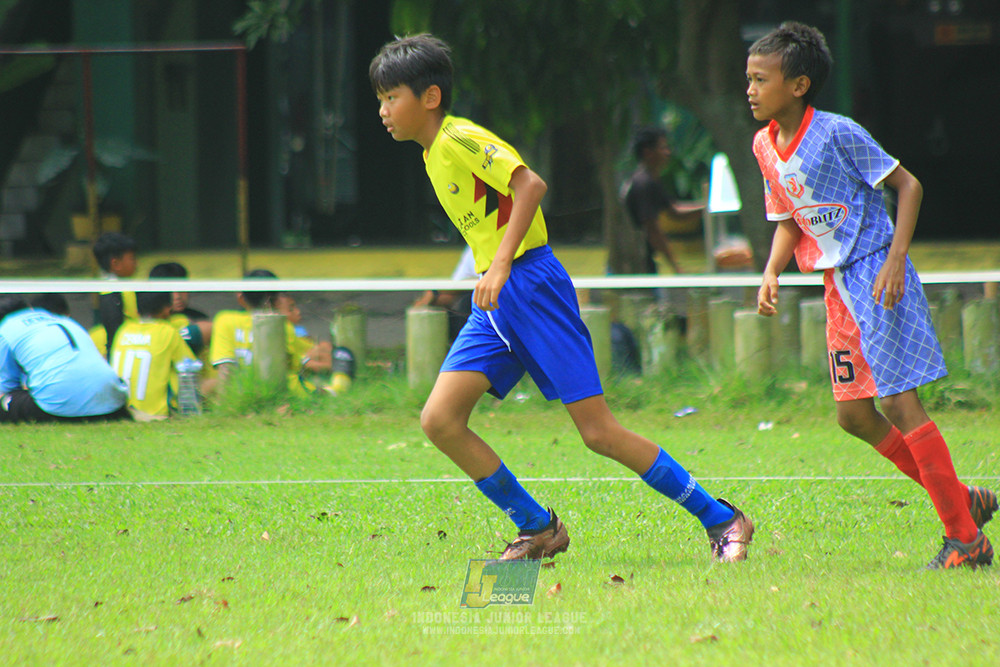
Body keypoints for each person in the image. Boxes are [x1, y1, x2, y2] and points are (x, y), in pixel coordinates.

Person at [369, 34, 753, 562]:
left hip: (531, 285)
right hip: (499, 299)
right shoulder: (433, 154)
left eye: (392, 97)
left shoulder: (458, 138)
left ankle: (723, 519)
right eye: (381, 99)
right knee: (440, 420)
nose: (384, 110)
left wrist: (501, 263)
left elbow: (530, 186)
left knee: (598, 432)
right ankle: (538, 527)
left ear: (429, 97)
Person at [748, 22, 996, 570]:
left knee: (898, 403)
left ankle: (966, 540)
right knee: (854, 416)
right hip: (835, 287)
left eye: (760, 79)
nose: (750, 88)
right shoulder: (764, 145)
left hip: (876, 277)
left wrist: (894, 259)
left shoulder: (838, 133)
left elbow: (909, 185)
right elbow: (791, 219)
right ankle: (962, 500)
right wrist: (771, 271)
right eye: (749, 78)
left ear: (798, 85)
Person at [0, 295, 130, 424]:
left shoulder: (5, 330)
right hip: (113, 404)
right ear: (28, 308)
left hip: (59, 407)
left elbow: (5, 387)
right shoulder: (64, 320)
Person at [622, 126, 704, 275]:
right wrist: (676, 267)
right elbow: (652, 230)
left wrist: (707, 208)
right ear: (648, 152)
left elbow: (675, 211)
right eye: (663, 148)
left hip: (642, 260)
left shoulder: (650, 179)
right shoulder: (644, 184)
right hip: (634, 265)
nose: (668, 153)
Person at [208, 269, 305, 394]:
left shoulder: (224, 320)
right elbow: (295, 367)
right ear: (276, 300)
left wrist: (225, 409)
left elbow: (225, 369)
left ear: (241, 298)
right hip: (281, 397)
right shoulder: (284, 326)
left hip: (241, 397)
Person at [110, 291, 196, 419]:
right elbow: (190, 368)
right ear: (167, 309)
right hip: (154, 414)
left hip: (119, 412)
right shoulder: (167, 332)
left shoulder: (123, 330)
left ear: (136, 310)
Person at [411, 244, 476, 341]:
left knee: (467, 302)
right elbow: (458, 283)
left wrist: (434, 292)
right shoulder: (471, 248)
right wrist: (433, 297)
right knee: (436, 306)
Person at [148, 262, 213, 356]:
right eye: (170, 291)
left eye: (181, 289)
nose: (177, 296)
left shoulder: (199, 319)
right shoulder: (147, 322)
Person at [91, 231, 139, 358]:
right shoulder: (111, 290)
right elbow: (113, 326)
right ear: (116, 264)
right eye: (132, 258)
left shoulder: (125, 285)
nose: (136, 263)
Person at [274, 292, 333, 376]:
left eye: (295, 307)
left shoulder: (298, 329)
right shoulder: (285, 332)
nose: (298, 312)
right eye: (290, 309)